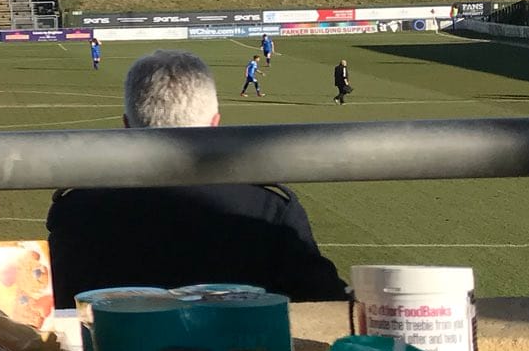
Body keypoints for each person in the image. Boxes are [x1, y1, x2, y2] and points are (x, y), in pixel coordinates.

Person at [47, 50, 347, 305]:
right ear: (215, 123)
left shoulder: (76, 208)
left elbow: (58, 305)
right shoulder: (268, 207)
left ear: (127, 125)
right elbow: (325, 305)